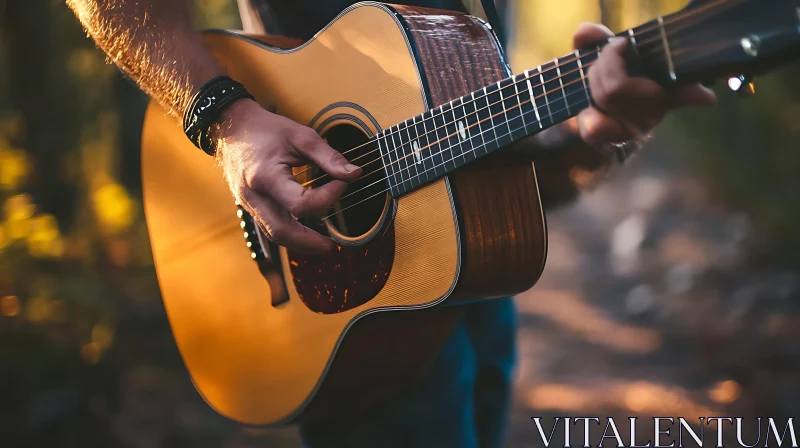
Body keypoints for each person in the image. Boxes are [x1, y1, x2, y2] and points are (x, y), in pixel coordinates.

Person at [67, 0, 716, 447]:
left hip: (468, 268)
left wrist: (590, 135)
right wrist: (224, 118)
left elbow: (511, 153)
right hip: (345, 307)